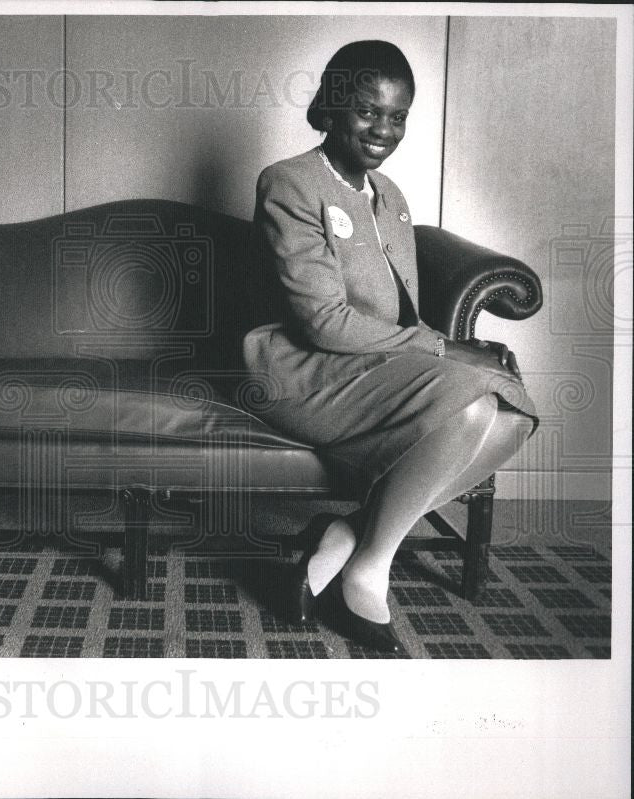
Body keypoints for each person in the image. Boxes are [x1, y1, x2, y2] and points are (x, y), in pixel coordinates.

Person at [243, 40, 538, 652]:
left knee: (509, 412)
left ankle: (351, 539)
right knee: (472, 398)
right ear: (332, 107)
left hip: (374, 366)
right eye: (367, 111)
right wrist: (446, 351)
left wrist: (451, 356)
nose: (384, 129)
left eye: (398, 115)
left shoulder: (393, 198)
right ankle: (368, 574)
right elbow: (322, 324)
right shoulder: (289, 184)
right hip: (302, 371)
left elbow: (393, 311)